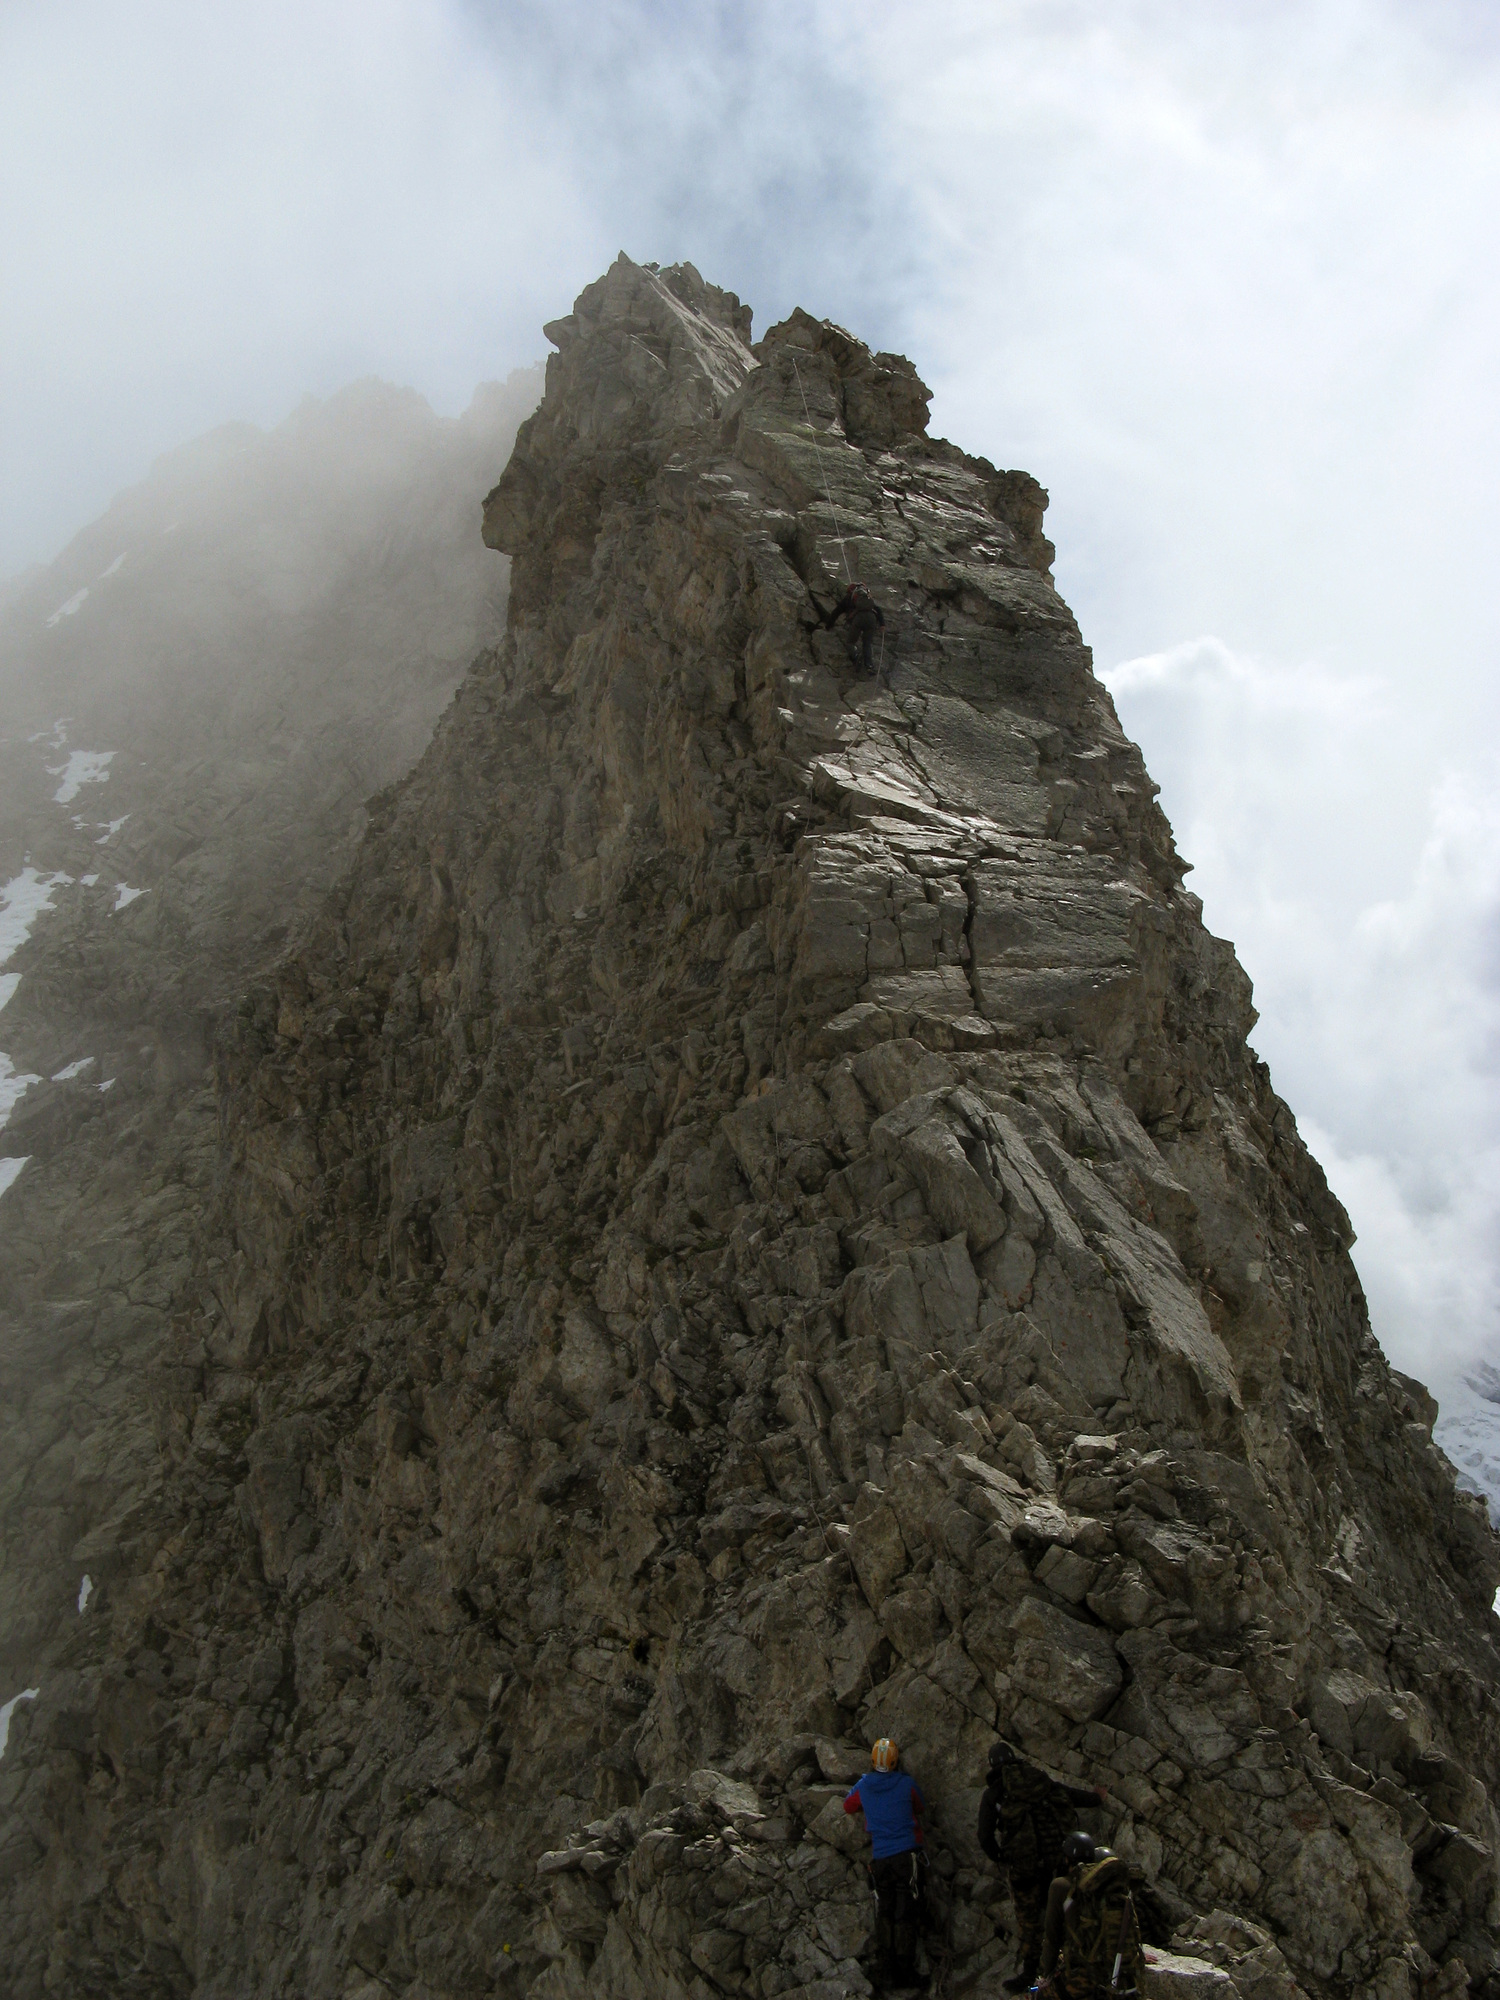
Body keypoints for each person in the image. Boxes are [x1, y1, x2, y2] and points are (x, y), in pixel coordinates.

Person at [977, 1741, 1106, 1993]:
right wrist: (1096, 1798)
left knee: (1030, 1920)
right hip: (1056, 1860)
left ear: (993, 1765)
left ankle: (1030, 1974)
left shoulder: (995, 1793)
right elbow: (1067, 1794)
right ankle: (1069, 1963)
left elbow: (984, 1836)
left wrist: (1001, 1856)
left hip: (1023, 1866)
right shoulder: (1038, 1778)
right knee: (1062, 1911)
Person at [844, 1737, 927, 1991]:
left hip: (881, 1858)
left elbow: (849, 1805)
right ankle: (906, 1970)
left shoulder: (864, 1785)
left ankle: (886, 1970)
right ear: (895, 1761)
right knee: (906, 1912)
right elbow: (920, 1806)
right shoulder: (905, 1783)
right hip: (906, 1856)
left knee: (886, 1912)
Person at [1038, 1834, 1144, 2000]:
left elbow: (1052, 1938)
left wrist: (1046, 1974)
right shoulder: (1113, 1889)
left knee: (1041, 1996)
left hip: (1087, 1980)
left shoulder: (1061, 1886)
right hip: (1125, 1979)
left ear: (1067, 1859)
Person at [828, 579, 886, 676]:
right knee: (867, 643)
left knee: (850, 642)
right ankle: (869, 666)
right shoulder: (867, 598)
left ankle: (856, 656)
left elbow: (836, 612)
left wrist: (828, 625)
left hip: (858, 620)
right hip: (872, 619)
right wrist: (882, 624)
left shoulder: (848, 598)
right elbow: (878, 610)